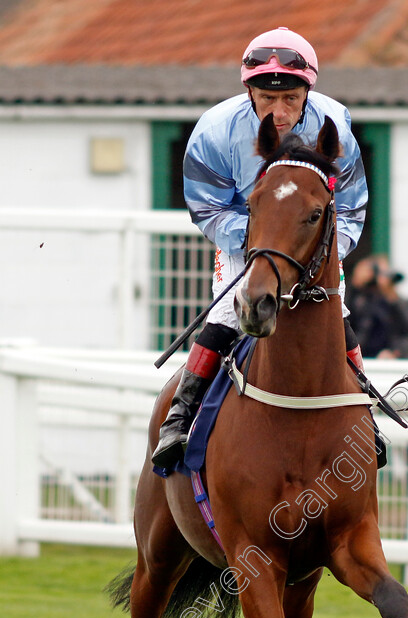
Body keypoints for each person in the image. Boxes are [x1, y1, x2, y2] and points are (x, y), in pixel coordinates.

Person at [152, 26, 369, 469]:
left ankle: (366, 409)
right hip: (245, 232)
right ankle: (180, 414)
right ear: (248, 91)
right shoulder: (214, 130)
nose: (279, 111)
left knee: (335, 311)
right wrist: (263, 243)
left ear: (307, 92)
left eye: (290, 98)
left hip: (313, 240)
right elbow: (206, 207)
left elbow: (351, 204)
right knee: (229, 312)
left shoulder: (336, 125)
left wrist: (321, 251)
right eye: (267, 98)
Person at [347, 254, 408, 359]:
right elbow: (347, 318)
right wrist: (355, 283)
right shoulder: (363, 302)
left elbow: (406, 326)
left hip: (398, 359)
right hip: (365, 359)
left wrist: (390, 293)